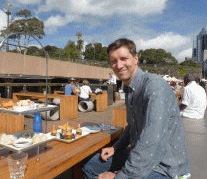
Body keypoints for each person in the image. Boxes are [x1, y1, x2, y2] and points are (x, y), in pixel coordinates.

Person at [82, 38, 191, 179]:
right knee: (90, 165)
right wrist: (115, 147)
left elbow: (152, 142)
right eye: (114, 61)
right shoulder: (129, 89)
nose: (118, 65)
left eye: (123, 58)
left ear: (135, 58)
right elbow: (132, 126)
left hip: (166, 167)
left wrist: (122, 176)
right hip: (140, 154)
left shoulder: (154, 86)